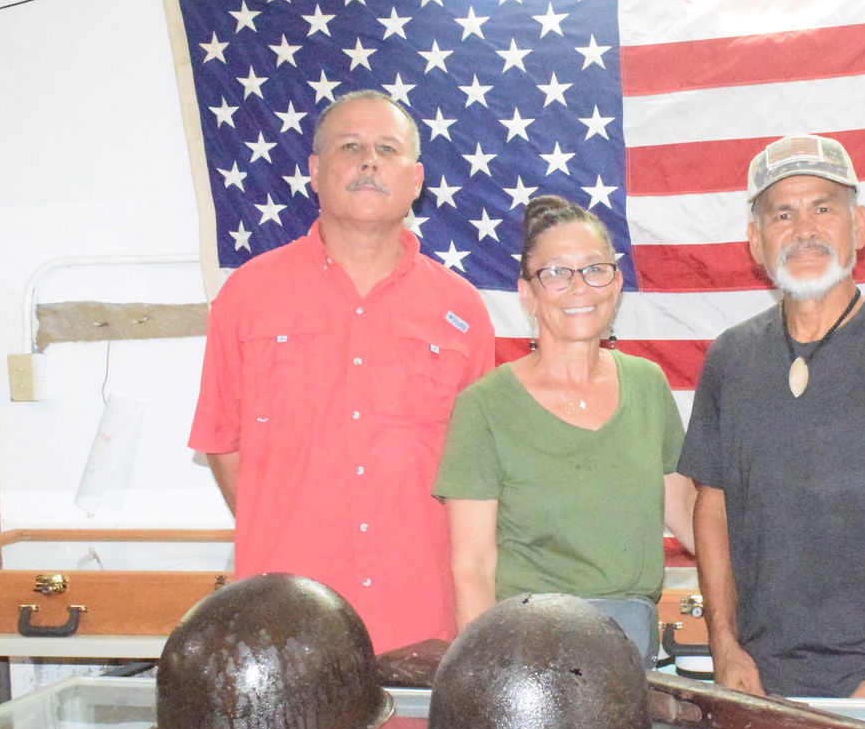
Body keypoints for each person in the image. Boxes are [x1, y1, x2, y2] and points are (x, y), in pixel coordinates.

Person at [190, 89, 495, 653]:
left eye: (387, 149)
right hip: (285, 618)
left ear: (417, 177)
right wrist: (289, 528)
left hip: (422, 615)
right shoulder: (247, 296)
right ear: (314, 171)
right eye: (349, 146)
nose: (369, 161)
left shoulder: (462, 310)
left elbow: (476, 471)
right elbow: (224, 443)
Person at [679, 134, 865, 699]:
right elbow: (711, 509)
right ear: (754, 240)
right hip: (755, 686)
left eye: (823, 208)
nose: (804, 230)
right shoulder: (729, 359)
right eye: (782, 214)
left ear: (859, 225)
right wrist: (725, 649)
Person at [434, 196, 696, 642]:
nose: (580, 287)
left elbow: (689, 515)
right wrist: (484, 680)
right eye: (556, 272)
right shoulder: (485, 406)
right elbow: (473, 567)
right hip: (526, 649)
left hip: (633, 650)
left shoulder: (648, 384)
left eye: (595, 269)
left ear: (615, 287)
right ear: (528, 295)